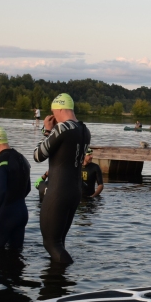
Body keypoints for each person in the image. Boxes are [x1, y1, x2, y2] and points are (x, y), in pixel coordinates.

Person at [34, 93, 91, 263]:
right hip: (75, 191)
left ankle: (67, 273)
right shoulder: (84, 129)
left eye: (54, 112)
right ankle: (60, 284)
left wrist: (47, 130)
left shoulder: (62, 128)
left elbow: (38, 155)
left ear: (59, 109)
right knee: (60, 243)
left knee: (51, 243)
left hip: (58, 191)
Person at [0, 126, 31, 250]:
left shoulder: (1, 161)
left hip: (7, 214)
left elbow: (1, 190)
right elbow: (28, 188)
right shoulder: (22, 159)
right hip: (22, 213)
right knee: (16, 255)